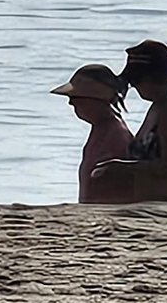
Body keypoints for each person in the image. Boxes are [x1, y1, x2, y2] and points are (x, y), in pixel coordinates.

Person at [90, 40, 167, 203]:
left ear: (153, 77)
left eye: (136, 81)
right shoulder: (158, 107)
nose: (134, 87)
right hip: (152, 203)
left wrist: (120, 168)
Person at [50, 64, 135, 203]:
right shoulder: (103, 129)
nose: (71, 103)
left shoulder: (115, 136)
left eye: (76, 98)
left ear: (95, 99)